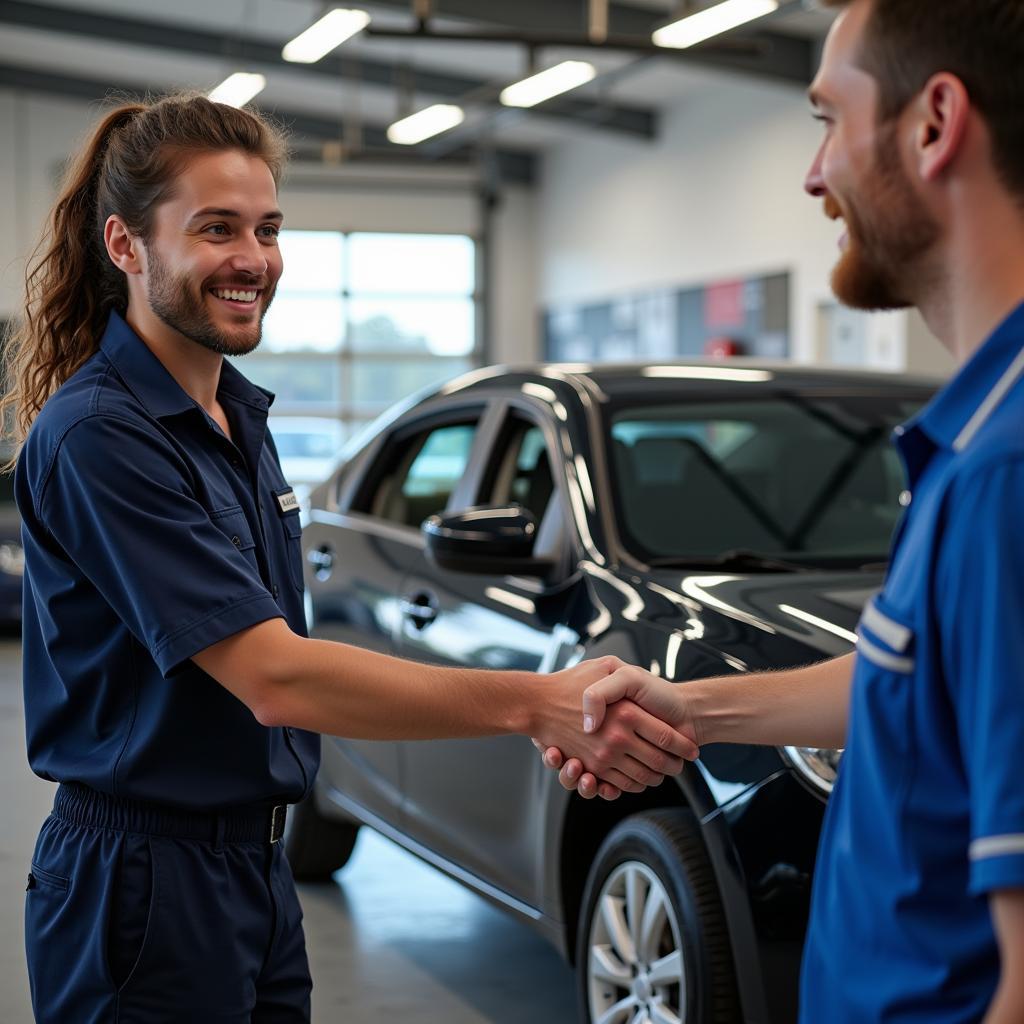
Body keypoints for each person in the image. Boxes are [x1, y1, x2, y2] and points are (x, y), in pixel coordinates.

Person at [3, 95, 696, 1023]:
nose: (254, 259)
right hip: (145, 882)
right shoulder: (102, 436)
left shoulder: (235, 419)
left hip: (254, 865)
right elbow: (274, 676)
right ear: (126, 246)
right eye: (217, 229)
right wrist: (538, 702)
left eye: (268, 229)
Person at [542, 0, 1024, 1020]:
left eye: (825, 120)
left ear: (932, 124)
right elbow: (913, 682)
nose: (813, 177)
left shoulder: (1004, 474)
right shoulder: (977, 436)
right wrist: (694, 708)